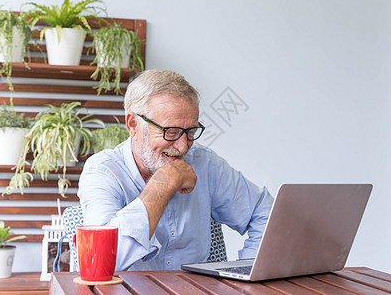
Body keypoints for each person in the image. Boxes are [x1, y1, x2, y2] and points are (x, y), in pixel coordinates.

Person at [78, 69, 274, 271]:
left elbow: (267, 214)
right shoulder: (102, 172)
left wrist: (248, 274)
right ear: (133, 124)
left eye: (191, 132)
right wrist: (162, 185)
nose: (182, 147)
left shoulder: (204, 163)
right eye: (170, 132)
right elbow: (101, 261)